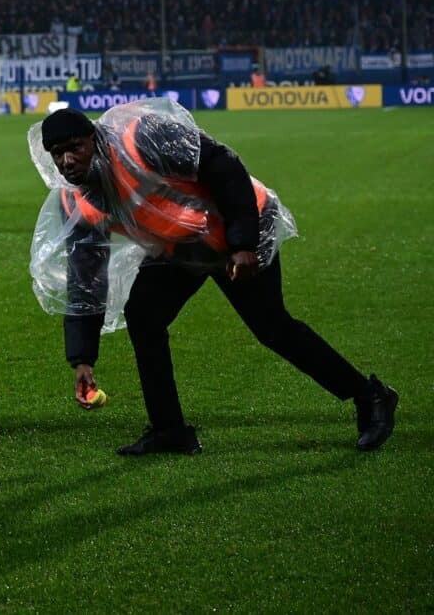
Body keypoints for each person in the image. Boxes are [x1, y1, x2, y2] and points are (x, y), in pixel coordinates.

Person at [31, 103, 397, 455]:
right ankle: (169, 429)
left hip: (239, 228)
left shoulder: (141, 137)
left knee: (273, 328)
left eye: (74, 148)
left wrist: (243, 243)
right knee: (144, 317)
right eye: (57, 153)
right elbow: (86, 281)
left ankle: (370, 395)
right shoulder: (76, 202)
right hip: (181, 246)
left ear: (93, 138)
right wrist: (82, 359)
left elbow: (225, 167)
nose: (67, 161)